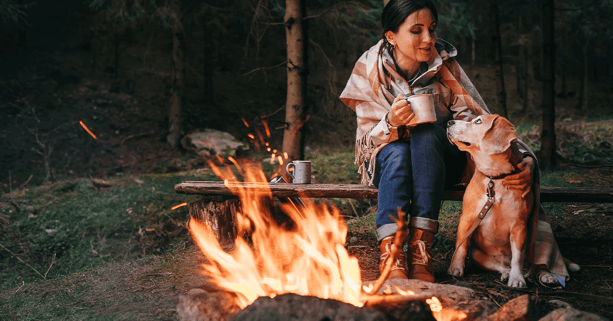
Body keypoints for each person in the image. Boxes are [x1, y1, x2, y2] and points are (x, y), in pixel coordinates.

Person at [340, 0, 570, 285]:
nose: (429, 39)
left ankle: (421, 251)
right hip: (388, 164)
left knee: (426, 134)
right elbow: (366, 142)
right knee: (399, 151)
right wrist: (391, 122)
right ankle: (392, 253)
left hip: (439, 163)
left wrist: (520, 161)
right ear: (391, 36)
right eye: (417, 30)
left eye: (432, 29)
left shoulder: (444, 66)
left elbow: (485, 125)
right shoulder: (368, 69)